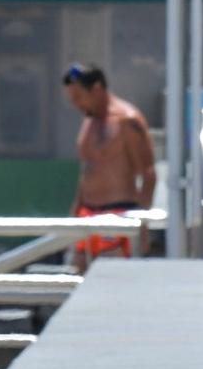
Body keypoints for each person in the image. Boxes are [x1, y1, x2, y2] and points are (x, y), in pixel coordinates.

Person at [62, 64, 157, 269]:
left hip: (118, 213)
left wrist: (142, 225)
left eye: (78, 97)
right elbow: (87, 170)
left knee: (113, 281)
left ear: (96, 89)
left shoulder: (127, 120)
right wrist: (74, 217)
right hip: (87, 213)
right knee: (78, 282)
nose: (75, 104)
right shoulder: (89, 120)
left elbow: (148, 174)